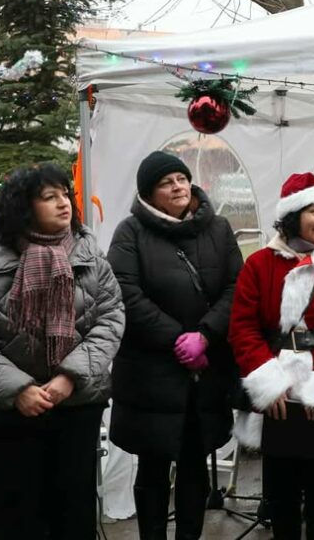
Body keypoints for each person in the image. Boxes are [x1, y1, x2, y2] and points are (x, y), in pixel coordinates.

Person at [107, 151, 244, 539]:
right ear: (150, 194)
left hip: (205, 372)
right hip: (151, 373)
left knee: (193, 464)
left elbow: (238, 287)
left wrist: (205, 335)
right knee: (151, 468)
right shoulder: (130, 232)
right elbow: (125, 294)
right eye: (166, 182)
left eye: (181, 178)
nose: (178, 186)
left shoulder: (218, 229)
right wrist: (176, 339)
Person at [0, 164, 124, 538]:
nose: (63, 203)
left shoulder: (89, 253)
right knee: (18, 511)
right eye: (49, 197)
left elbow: (110, 320)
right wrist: (18, 389)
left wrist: (70, 376)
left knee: (75, 508)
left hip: (77, 404)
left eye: (66, 194)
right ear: (22, 207)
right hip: (10, 412)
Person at [228, 172, 314, 540]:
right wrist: (269, 383)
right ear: (292, 215)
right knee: (282, 499)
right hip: (278, 398)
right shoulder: (258, 265)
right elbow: (243, 328)